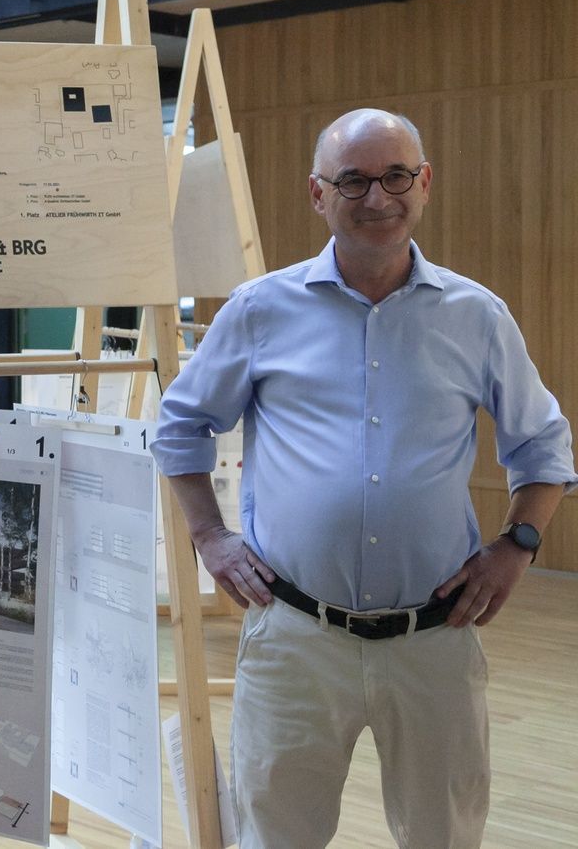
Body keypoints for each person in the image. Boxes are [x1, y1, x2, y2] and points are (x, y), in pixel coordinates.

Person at [152, 108, 574, 849]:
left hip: (436, 639)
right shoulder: (260, 310)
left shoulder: (477, 316)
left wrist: (518, 545)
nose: (377, 197)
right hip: (295, 639)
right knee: (275, 837)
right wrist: (210, 536)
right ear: (318, 194)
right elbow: (179, 426)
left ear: (425, 183)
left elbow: (543, 444)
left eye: (396, 177)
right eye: (353, 180)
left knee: (445, 836)